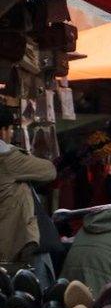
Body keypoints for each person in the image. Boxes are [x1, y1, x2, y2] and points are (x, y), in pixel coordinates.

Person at [0, 106, 57, 285]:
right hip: (17, 247)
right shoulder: (8, 159)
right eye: (9, 129)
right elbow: (49, 171)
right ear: (3, 130)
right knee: (32, 297)